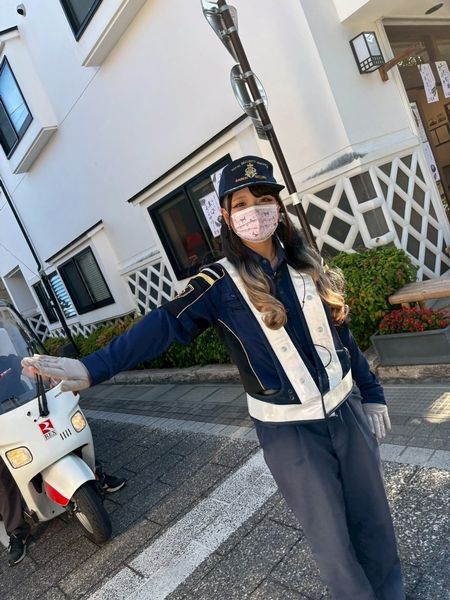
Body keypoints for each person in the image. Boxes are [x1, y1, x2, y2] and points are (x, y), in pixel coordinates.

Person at [23, 155, 405, 599]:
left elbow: (342, 334)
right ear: (225, 215)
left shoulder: (306, 264)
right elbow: (163, 325)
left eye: (264, 199)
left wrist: (372, 393)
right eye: (241, 203)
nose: (255, 211)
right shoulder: (218, 284)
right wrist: (94, 367)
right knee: (333, 542)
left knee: (374, 519)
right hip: (291, 436)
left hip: (348, 414)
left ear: (278, 207)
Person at [0, 353, 125, 566]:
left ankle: (96, 474)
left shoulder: (7, 361)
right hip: (5, 427)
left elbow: (30, 370)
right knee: (3, 472)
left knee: (69, 431)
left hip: (29, 408)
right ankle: (17, 531)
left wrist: (49, 378)